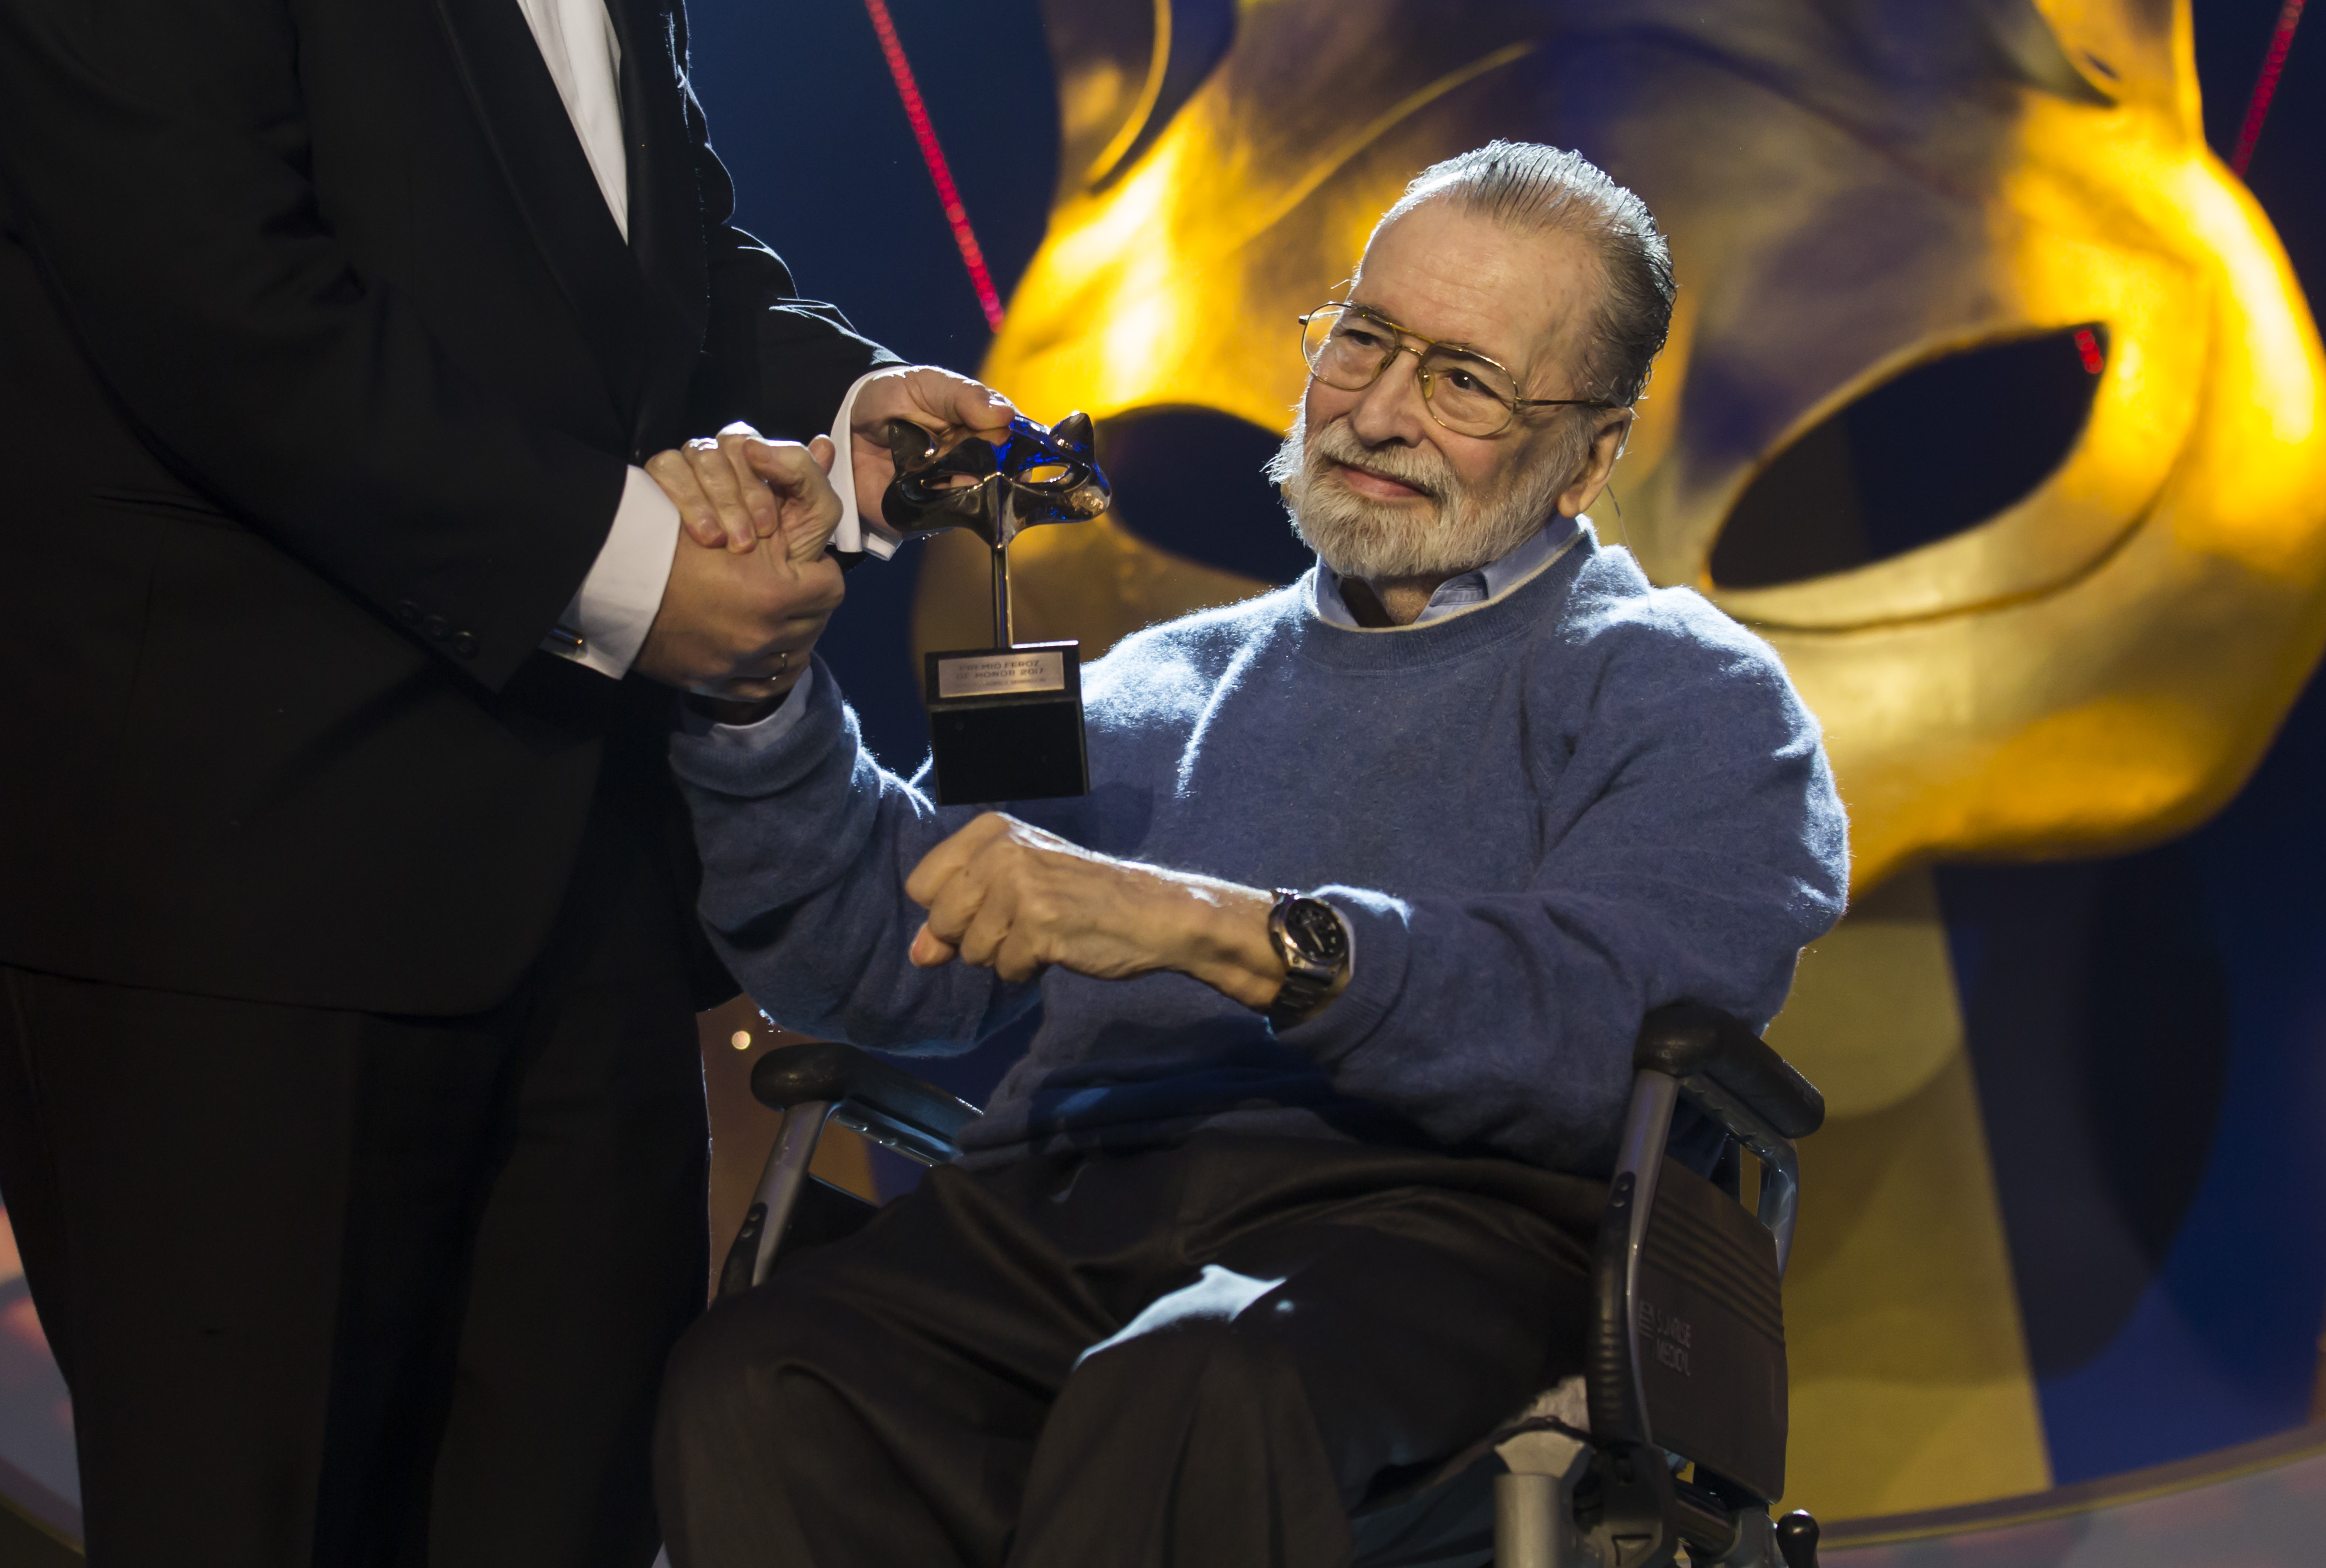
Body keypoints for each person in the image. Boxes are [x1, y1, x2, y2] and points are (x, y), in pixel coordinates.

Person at [0, 0, 1006, 1560]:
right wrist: (648, 595)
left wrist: (848, 386)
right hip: (235, 897)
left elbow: (664, 272)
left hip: (580, 906)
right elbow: (240, 331)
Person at [654, 142, 1851, 1568]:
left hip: (1439, 1221)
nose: (1378, 410)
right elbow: (877, 959)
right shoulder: (1161, 682)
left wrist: (1222, 933)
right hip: (1062, 1209)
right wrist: (758, 690)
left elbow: (1608, 1025)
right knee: (767, 1377)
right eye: (1363, 338)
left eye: (1463, 380)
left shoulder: (1682, 689)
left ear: (1592, 452)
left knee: (1192, 1381)